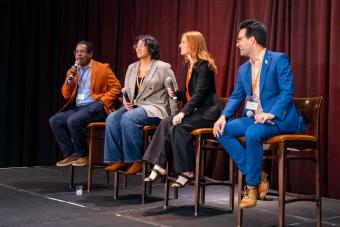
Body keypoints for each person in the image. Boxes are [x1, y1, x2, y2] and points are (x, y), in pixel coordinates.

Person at [213, 19, 305, 208]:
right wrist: (222, 116)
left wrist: (271, 113)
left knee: (252, 133)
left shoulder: (278, 59)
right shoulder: (244, 68)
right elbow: (236, 96)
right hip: (256, 118)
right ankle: (256, 173)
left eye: (240, 39)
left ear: (252, 40)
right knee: (222, 130)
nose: (237, 43)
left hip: (279, 119)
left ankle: (252, 187)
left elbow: (288, 91)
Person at [143, 31, 221, 188]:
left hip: (208, 113)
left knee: (179, 127)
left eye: (183, 42)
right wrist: (175, 95)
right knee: (166, 122)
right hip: (195, 112)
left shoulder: (204, 66)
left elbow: (199, 94)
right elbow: (188, 94)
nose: (180, 45)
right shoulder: (188, 66)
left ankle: (185, 171)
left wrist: (182, 112)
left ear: (193, 44)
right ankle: (159, 166)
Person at [104, 35, 178, 174]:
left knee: (129, 118)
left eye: (141, 45)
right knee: (112, 118)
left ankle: (136, 160)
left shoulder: (163, 67)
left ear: (151, 48)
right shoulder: (132, 67)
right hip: (135, 106)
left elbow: (172, 93)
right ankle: (118, 158)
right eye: (136, 45)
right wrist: (125, 101)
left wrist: (173, 116)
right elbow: (127, 90)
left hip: (155, 108)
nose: (137, 48)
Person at [50, 41, 122, 167]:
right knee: (55, 120)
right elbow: (65, 95)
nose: (79, 55)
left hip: (97, 106)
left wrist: (102, 101)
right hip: (79, 108)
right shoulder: (72, 71)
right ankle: (70, 154)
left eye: (82, 52)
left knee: (73, 120)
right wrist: (70, 79)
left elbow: (117, 87)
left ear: (90, 54)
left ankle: (83, 155)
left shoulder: (102, 68)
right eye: (76, 52)